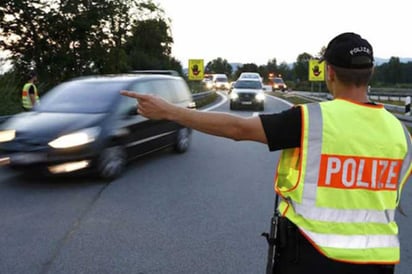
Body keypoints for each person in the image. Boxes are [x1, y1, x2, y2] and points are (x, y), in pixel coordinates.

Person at [120, 32, 412, 274]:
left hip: (312, 258)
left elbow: (237, 129)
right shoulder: (400, 132)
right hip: (379, 263)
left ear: (329, 72)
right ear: (371, 71)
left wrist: (170, 111)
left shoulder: (311, 120)